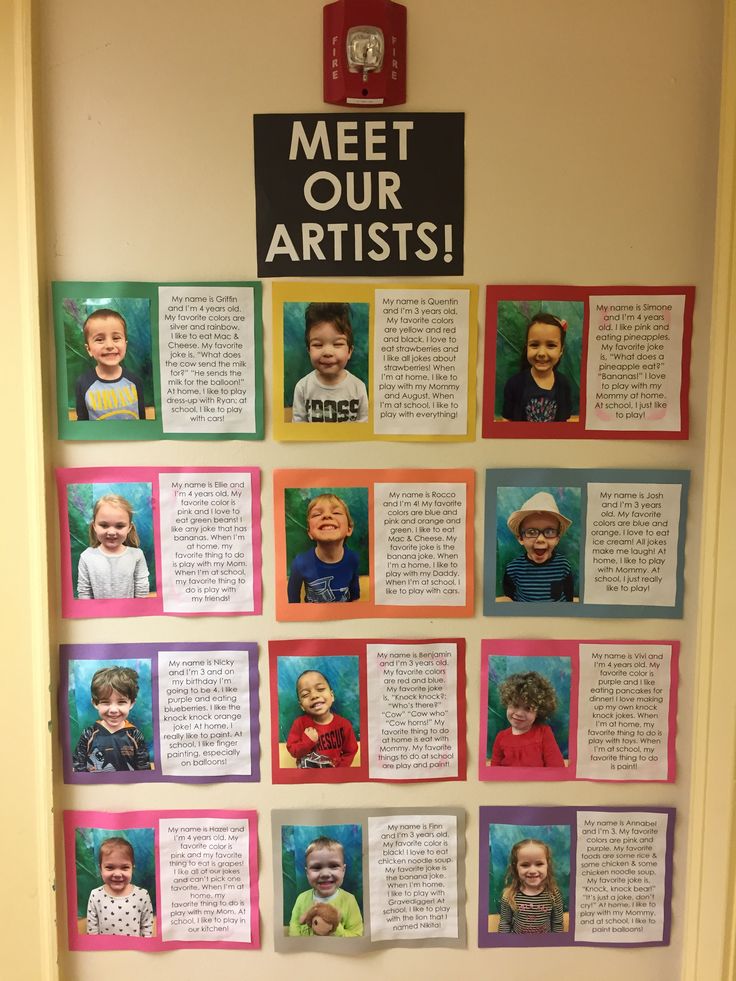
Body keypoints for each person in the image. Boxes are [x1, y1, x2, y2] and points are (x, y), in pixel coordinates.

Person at [291, 302, 368, 423]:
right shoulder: (302, 387)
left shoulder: (358, 387)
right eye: (318, 345)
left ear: (349, 351)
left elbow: (365, 426)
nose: (327, 352)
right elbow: (298, 426)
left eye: (337, 344)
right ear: (309, 350)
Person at [72, 666, 151, 772]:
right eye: (106, 702)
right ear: (95, 703)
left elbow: (144, 771)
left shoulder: (135, 736)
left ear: (131, 703)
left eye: (121, 702)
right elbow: (78, 768)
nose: (113, 709)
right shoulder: (88, 735)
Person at [74, 308, 147, 422]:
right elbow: (82, 424)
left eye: (116, 338)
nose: (109, 345)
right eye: (99, 339)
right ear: (89, 349)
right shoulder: (83, 383)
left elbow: (143, 422)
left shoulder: (135, 381)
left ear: (125, 344)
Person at [287, 493, 360, 603]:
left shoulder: (353, 559)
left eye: (336, 512)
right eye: (316, 514)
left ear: (349, 529)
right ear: (310, 533)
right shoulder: (300, 563)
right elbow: (292, 602)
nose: (326, 516)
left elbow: (355, 598)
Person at [502, 491, 574, 602]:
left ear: (557, 539)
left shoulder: (563, 566)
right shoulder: (513, 569)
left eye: (549, 532)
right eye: (531, 532)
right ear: (521, 538)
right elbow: (510, 597)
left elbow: (569, 598)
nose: (540, 539)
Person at [77, 494, 150, 600]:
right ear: (94, 526)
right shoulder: (86, 557)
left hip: (130, 615)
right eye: (104, 525)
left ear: (129, 527)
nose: (111, 532)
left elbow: (141, 593)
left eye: (119, 526)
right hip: (97, 615)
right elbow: (84, 594)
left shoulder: (137, 555)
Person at [501, 312, 572, 422]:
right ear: (527, 346)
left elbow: (564, 424)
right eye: (534, 345)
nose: (542, 353)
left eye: (551, 345)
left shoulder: (563, 384)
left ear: (561, 350)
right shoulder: (514, 384)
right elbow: (506, 422)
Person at [288, 836, 364, 936]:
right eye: (316, 867)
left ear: (343, 870)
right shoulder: (301, 899)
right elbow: (294, 929)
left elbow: (357, 935)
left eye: (333, 866)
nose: (325, 874)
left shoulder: (349, 900)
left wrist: (334, 927)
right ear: (307, 873)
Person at [286, 669, 358, 768]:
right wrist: (307, 741)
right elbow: (293, 751)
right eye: (305, 694)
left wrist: (340, 770)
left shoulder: (344, 725)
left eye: (320, 689)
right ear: (301, 706)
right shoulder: (299, 724)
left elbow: (350, 751)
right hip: (307, 778)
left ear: (332, 696)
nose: (314, 696)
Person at [490, 671, 565, 767]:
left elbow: (557, 769)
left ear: (538, 712)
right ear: (507, 703)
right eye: (515, 705)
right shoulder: (501, 738)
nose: (519, 713)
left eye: (528, 708)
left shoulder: (544, 733)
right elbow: (493, 773)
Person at [86, 836, 154, 936]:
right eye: (110, 867)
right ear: (101, 869)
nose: (117, 874)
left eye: (125, 867)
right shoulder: (95, 895)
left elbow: (147, 929)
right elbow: (92, 931)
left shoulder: (142, 895)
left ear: (132, 868)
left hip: (135, 951)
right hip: (104, 950)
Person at [498, 838, 564, 934]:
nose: (533, 871)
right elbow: (505, 923)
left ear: (547, 865)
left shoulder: (553, 894)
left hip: (545, 945)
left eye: (539, 864)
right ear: (516, 867)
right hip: (518, 945)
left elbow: (557, 924)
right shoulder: (509, 896)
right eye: (525, 865)